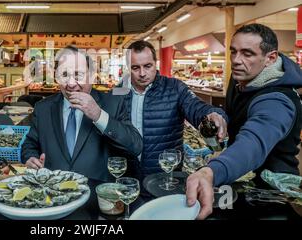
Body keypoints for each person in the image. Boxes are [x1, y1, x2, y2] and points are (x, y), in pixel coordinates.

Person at [186, 24, 302, 219]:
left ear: (270, 58)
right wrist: (219, 117)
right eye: (233, 52)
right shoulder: (242, 78)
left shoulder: (277, 100)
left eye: (247, 54)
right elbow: (240, 117)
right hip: (240, 180)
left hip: (270, 194)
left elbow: (253, 143)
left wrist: (212, 172)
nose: (236, 60)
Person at [21, 46, 142, 181]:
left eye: (78, 75)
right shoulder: (43, 108)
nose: (71, 84)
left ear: (91, 75)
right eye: (65, 75)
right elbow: (29, 144)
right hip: (55, 194)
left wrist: (98, 115)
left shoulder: (113, 103)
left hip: (97, 194)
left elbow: (135, 146)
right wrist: (30, 158)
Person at [120, 41, 227, 179]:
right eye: (135, 68)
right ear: (128, 67)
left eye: (147, 66)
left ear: (155, 63)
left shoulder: (175, 88)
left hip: (165, 177)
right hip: (128, 177)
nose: (142, 73)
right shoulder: (119, 90)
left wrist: (213, 114)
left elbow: (196, 107)